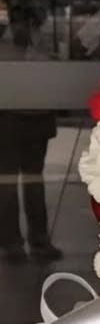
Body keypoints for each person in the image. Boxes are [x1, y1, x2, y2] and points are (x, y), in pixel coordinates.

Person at [0, 110, 62, 263]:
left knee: (9, 181)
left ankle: (12, 242)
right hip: (38, 117)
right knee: (33, 180)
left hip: (8, 118)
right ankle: (38, 240)